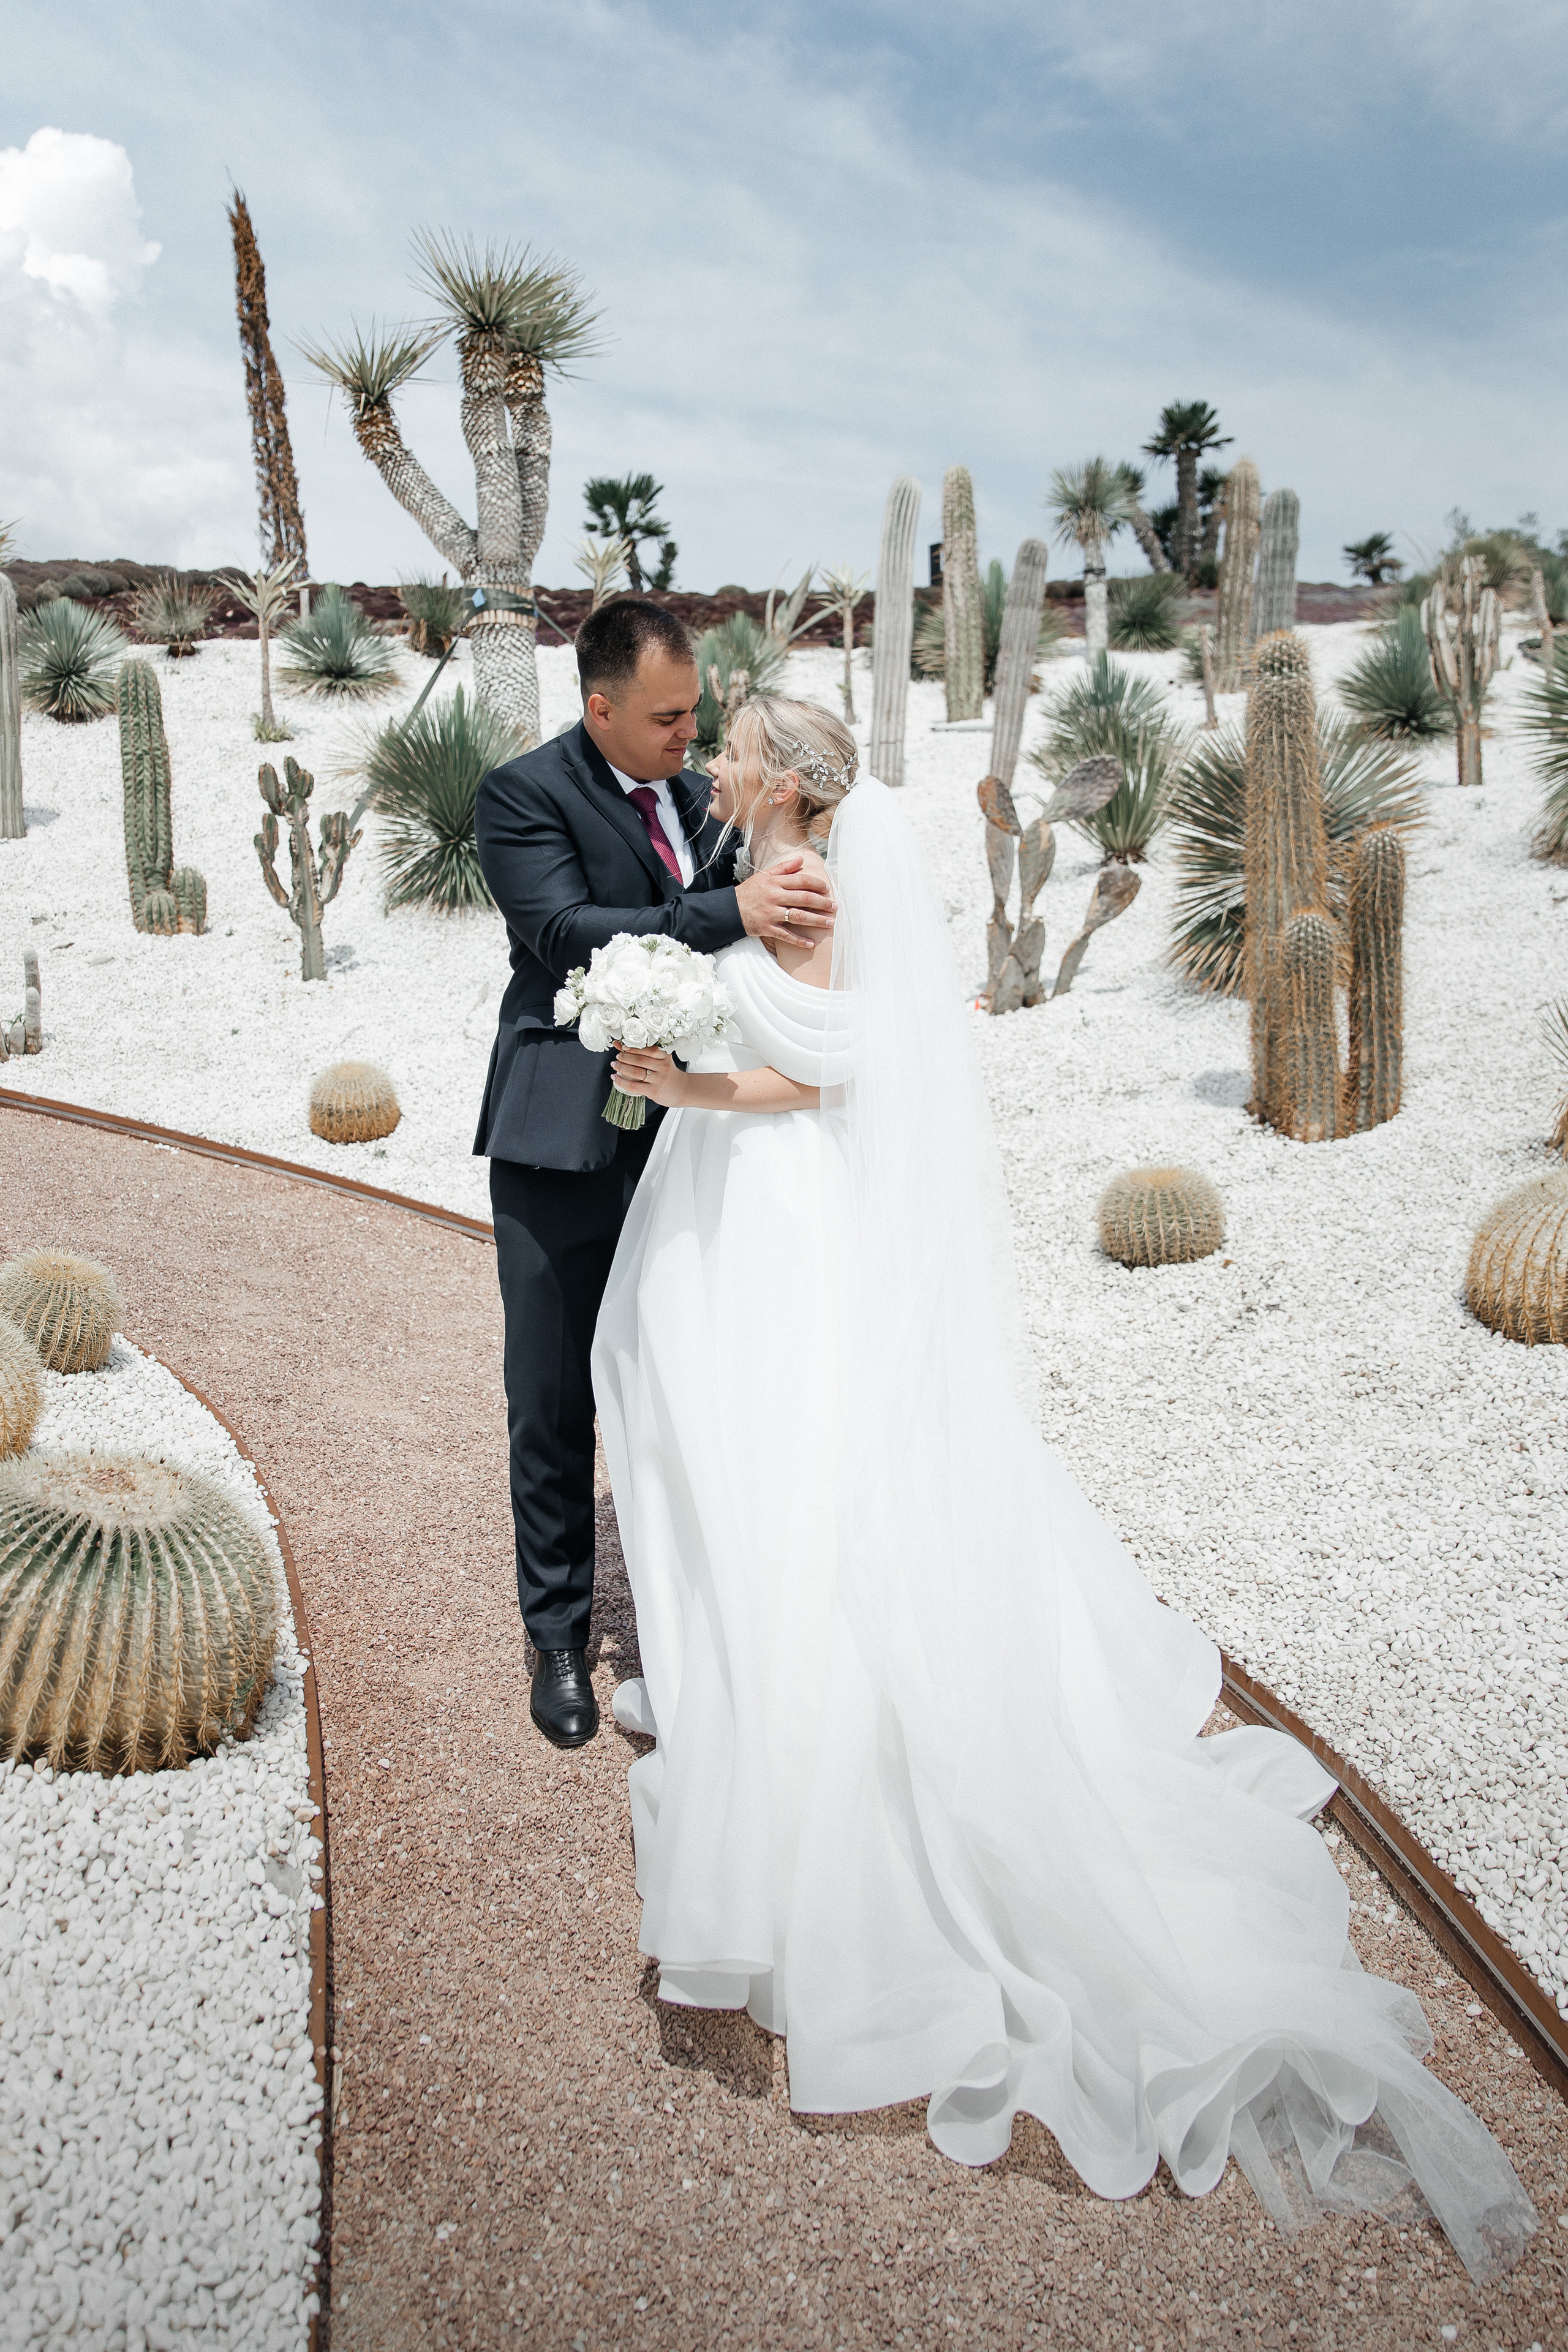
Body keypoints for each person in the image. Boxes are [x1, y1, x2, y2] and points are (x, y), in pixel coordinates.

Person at [591, 692, 1537, 2280]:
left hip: (769, 1211)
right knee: (732, 1458)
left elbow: (830, 1073)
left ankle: (786, 1709)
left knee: (781, 1460)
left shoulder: (809, 883)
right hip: (741, 1200)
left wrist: (678, 1071)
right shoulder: (771, 863)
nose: (722, 751)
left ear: (796, 782)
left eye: (743, 737)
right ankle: (734, 1659)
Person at [472, 601, 835, 1750]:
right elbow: (569, 933)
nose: (691, 736)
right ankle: (559, 1638)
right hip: (564, 1141)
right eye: (668, 717)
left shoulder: (699, 791)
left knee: (695, 1386)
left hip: (704, 1140)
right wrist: (733, 908)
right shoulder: (521, 796)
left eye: (698, 715)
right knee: (554, 1392)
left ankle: (712, 1634)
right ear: (600, 708)